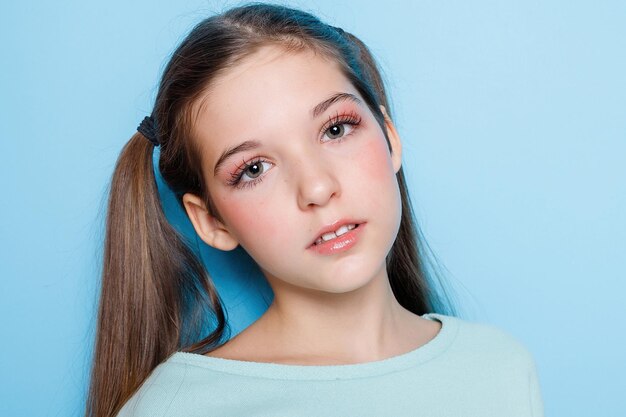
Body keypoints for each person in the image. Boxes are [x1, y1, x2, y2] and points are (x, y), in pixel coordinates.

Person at [85, 3, 544, 417]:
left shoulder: (499, 368)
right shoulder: (180, 408)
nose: (318, 188)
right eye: (255, 168)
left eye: (337, 129)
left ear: (390, 136)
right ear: (211, 221)